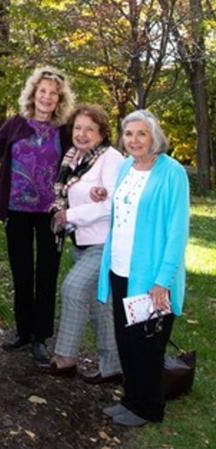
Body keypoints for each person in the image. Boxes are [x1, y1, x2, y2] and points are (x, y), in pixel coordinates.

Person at [97, 110, 189, 427]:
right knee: (127, 342)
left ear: (154, 137)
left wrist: (162, 280)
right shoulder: (125, 167)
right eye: (128, 134)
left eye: (141, 134)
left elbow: (177, 232)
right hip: (121, 269)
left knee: (148, 345)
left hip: (151, 278)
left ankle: (150, 408)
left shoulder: (172, 173)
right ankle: (131, 400)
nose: (134, 140)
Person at [0, 66, 74, 361]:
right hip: (17, 211)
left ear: (59, 99)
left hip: (52, 214)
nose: (47, 97)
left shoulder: (65, 131)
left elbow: (79, 164)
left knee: (47, 274)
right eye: (43, 91)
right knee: (22, 272)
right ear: (33, 93)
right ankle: (23, 331)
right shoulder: (15, 124)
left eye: (53, 93)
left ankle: (41, 336)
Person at [37, 105, 124, 382]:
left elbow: (113, 204)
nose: (82, 134)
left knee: (72, 288)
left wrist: (69, 216)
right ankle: (112, 367)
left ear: (101, 133)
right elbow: (67, 192)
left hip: (104, 243)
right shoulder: (73, 157)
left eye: (89, 129)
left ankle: (65, 358)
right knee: (101, 304)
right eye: (77, 128)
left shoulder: (111, 158)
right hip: (81, 242)